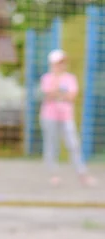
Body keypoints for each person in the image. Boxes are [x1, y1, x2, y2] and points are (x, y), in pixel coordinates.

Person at [40, 49, 96, 187]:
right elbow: (48, 94)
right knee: (51, 145)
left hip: (66, 117)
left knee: (73, 144)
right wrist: (59, 89)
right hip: (49, 116)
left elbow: (71, 96)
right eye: (58, 63)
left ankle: (82, 173)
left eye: (63, 62)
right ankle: (53, 174)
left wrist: (58, 93)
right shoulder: (47, 78)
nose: (61, 65)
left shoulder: (70, 78)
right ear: (52, 63)